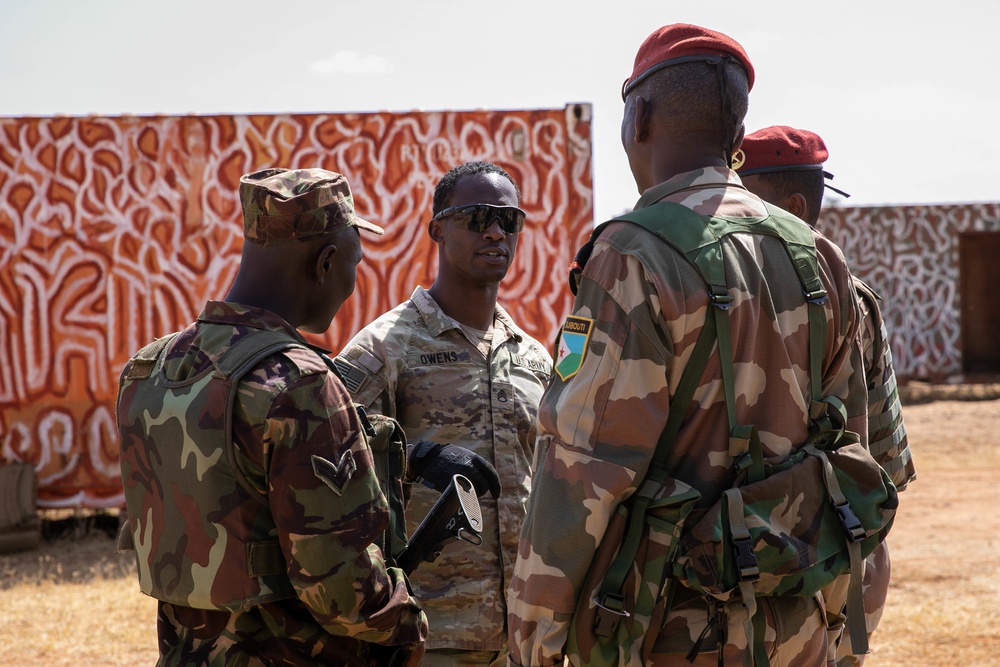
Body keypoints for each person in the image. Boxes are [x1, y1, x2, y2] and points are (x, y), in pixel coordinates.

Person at [507, 24, 871, 666]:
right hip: (798, 626)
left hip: (669, 634)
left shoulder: (632, 255)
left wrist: (536, 637)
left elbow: (585, 467)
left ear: (638, 116)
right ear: (737, 135)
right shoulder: (820, 258)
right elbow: (855, 454)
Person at [116, 168, 435, 666]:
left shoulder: (148, 369)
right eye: (355, 263)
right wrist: (410, 621)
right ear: (326, 262)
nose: (353, 282)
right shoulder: (298, 384)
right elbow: (344, 594)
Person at [334, 161, 553, 667]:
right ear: (437, 229)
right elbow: (329, 464)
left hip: (525, 631)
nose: (496, 231)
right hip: (427, 632)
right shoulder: (384, 349)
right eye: (477, 218)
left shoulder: (533, 358)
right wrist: (416, 456)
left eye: (509, 219)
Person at [735, 125, 917, 666]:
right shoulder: (852, 298)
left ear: (792, 206)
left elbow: (880, 472)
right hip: (802, 567)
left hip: (759, 566)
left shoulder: (716, 296)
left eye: (742, 196)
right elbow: (886, 469)